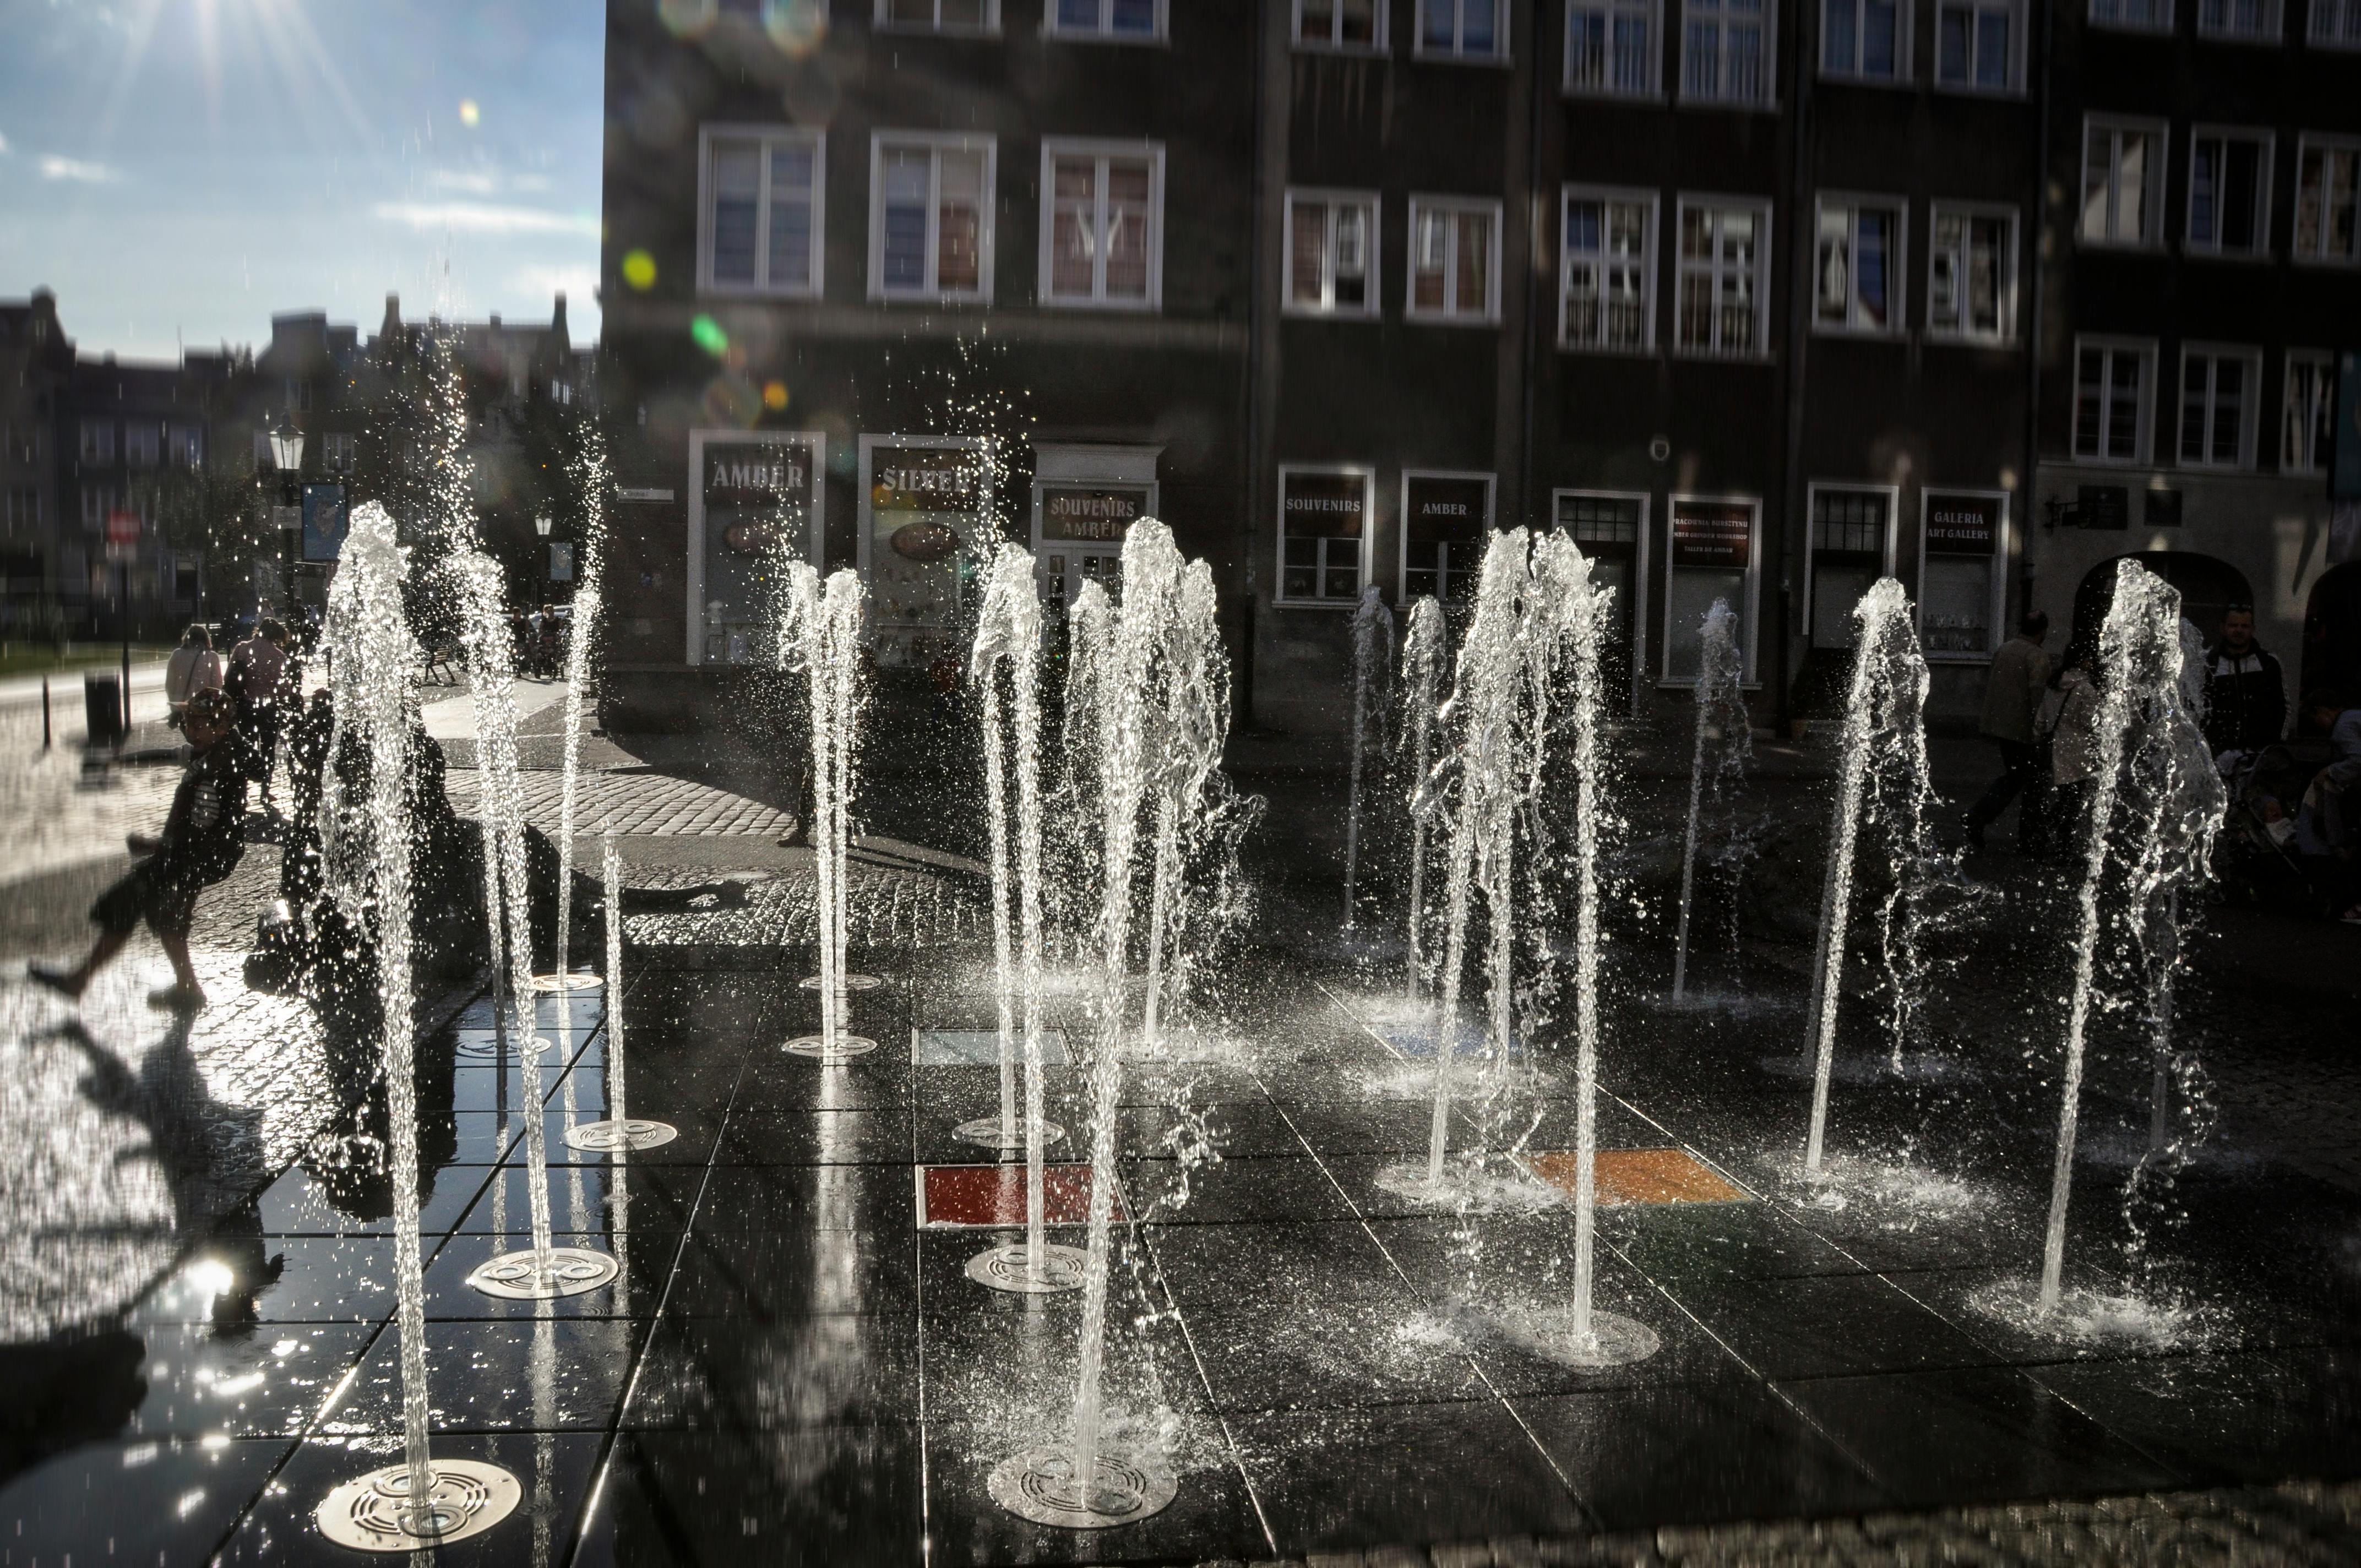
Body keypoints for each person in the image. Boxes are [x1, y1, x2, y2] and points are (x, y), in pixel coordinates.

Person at [31, 689, 254, 1011]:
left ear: (220, 728)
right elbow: (165, 755)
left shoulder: (222, 770)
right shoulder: (208, 754)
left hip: (197, 858)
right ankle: (186, 988)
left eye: (197, 724)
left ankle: (80, 980)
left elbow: (208, 833)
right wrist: (123, 760)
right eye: (187, 723)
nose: (189, 731)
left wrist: (157, 845)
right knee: (168, 918)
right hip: (192, 856)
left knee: (131, 901)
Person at [1962, 610, 2052, 852]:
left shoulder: (2005, 649)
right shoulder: (2037, 656)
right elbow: (2036, 694)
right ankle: (2023, 834)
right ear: (2042, 632)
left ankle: (1982, 819)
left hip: (2000, 724)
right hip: (2022, 729)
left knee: (2017, 777)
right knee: (2028, 781)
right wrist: (2038, 727)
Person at [2201, 604, 2286, 755]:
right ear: (2223, 628)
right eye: (2233, 625)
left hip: (2260, 753)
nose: (2239, 631)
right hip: (2218, 754)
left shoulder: (2268, 663)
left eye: (2244, 626)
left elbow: (2283, 706)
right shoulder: (2209, 665)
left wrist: (2276, 744)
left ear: (2253, 629)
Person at [226, 618, 290, 816]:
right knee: (268, 750)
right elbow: (283, 689)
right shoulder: (278, 656)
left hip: (246, 707)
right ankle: (265, 790)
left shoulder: (242, 649)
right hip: (269, 709)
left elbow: (229, 677)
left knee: (246, 747)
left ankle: (243, 791)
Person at [2048, 647, 2106, 862]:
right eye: (2089, 658)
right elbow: (2089, 722)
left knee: (2065, 797)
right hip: (2078, 749)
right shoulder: (2085, 689)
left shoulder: (2056, 683)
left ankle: (2047, 833)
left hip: (2058, 745)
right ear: (2083, 661)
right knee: (2072, 801)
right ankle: (2062, 846)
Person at [162, 623, 224, 727]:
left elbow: (169, 683)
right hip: (203, 705)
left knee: (189, 732)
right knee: (202, 734)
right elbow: (217, 685)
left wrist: (174, 702)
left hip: (181, 706)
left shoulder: (177, 654)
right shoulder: (212, 657)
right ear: (206, 639)